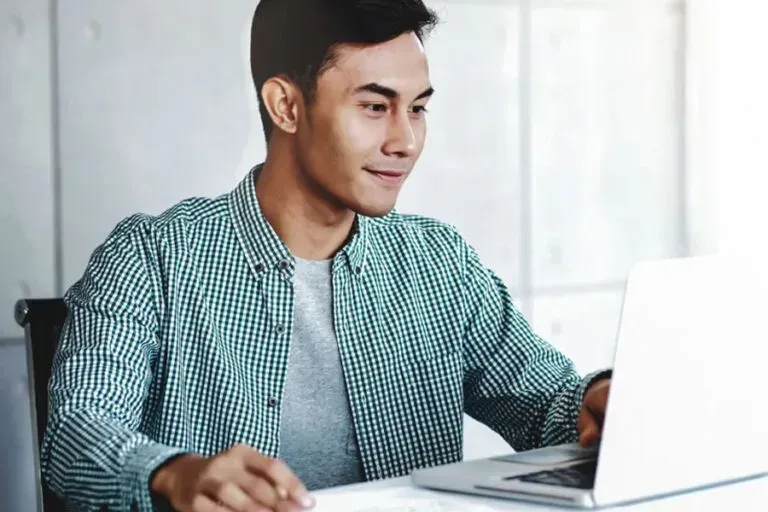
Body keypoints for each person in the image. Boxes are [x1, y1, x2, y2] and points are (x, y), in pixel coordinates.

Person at [41, 1, 612, 511]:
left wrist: (598, 400)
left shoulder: (439, 262)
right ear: (286, 106)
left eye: (417, 109)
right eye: (374, 106)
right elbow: (74, 434)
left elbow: (547, 406)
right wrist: (174, 474)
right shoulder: (152, 257)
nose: (406, 141)